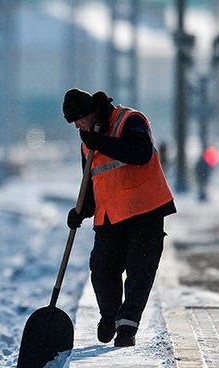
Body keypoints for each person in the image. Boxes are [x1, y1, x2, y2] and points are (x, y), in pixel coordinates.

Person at [62, 88, 176, 347]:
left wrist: (100, 142)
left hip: (145, 211)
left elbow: (141, 153)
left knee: (140, 270)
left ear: (90, 113)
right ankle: (110, 317)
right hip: (110, 217)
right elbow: (92, 184)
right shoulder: (87, 143)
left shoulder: (130, 121)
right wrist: (80, 212)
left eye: (79, 119)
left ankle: (127, 327)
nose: (77, 126)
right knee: (102, 269)